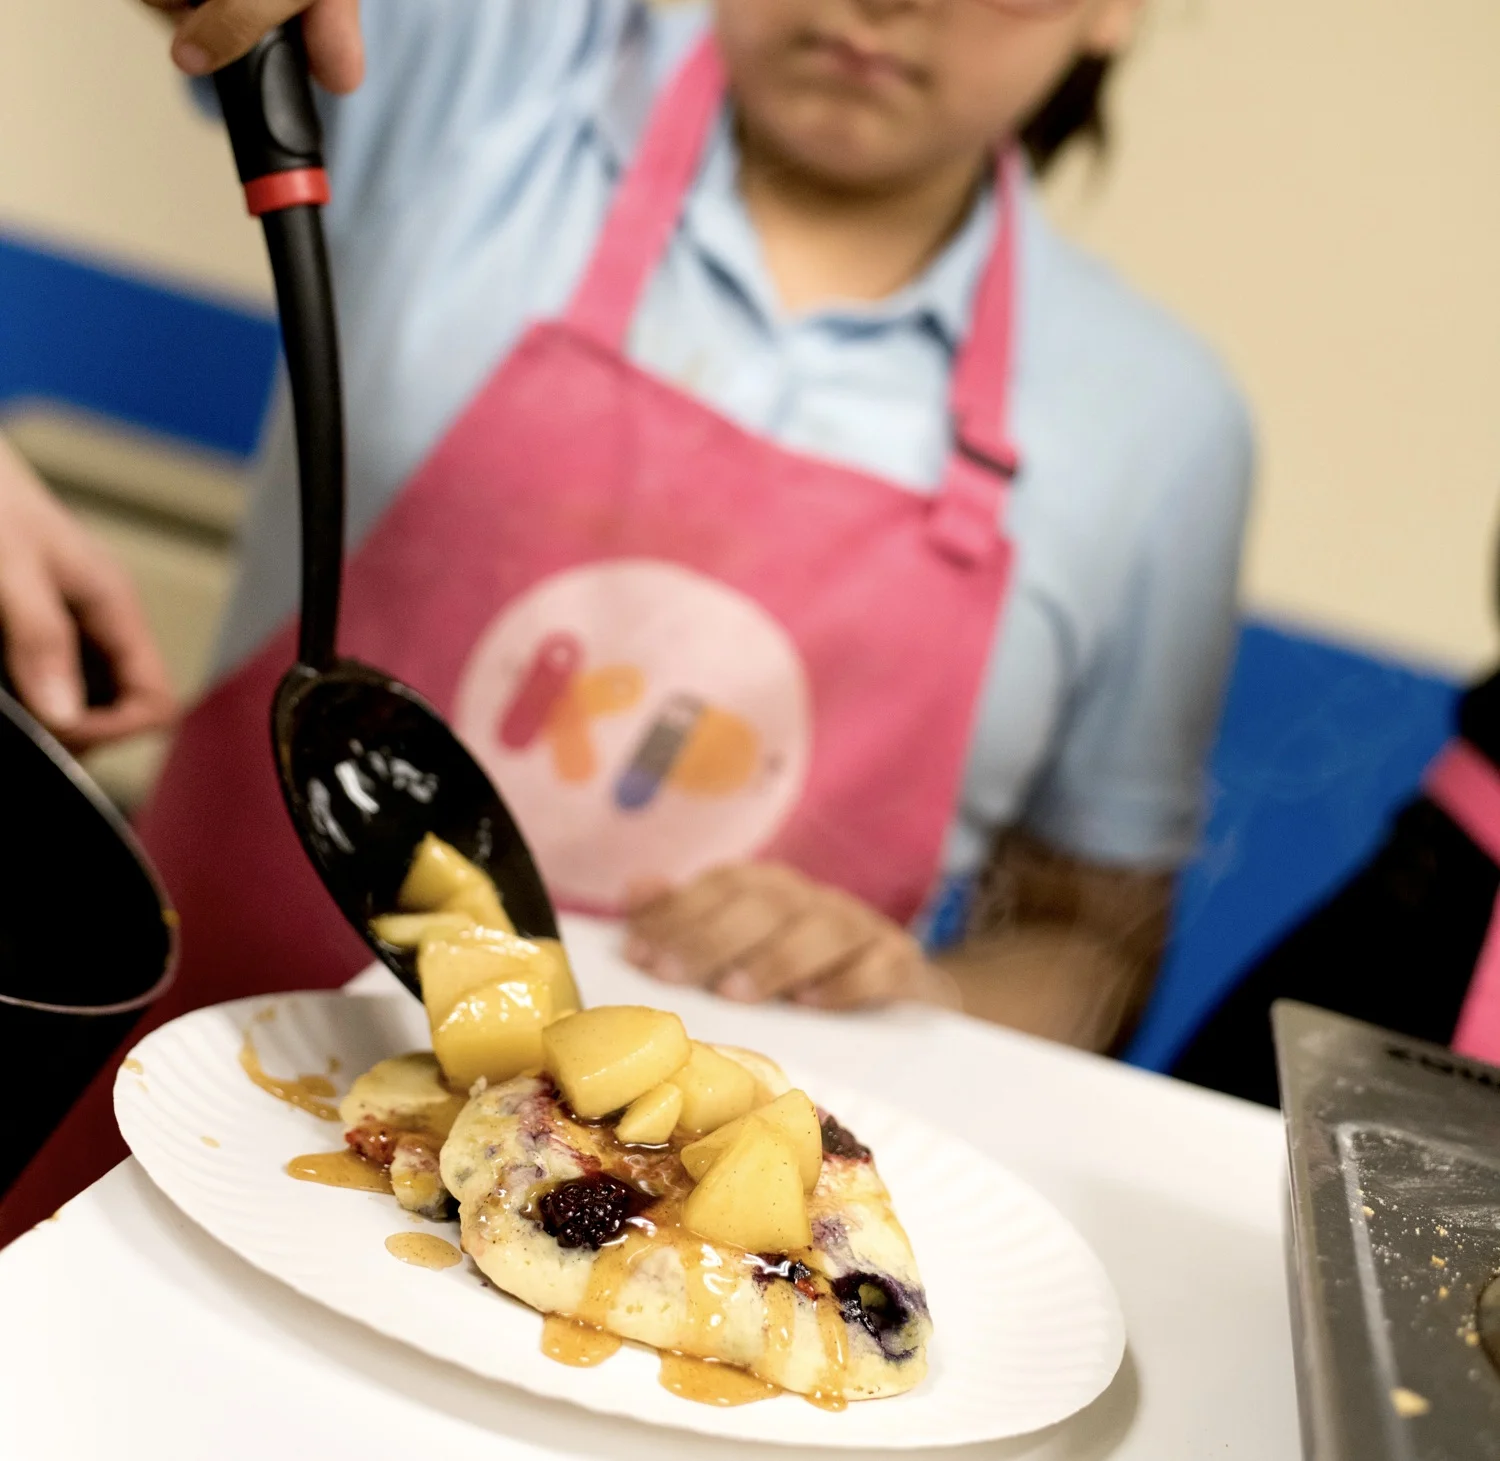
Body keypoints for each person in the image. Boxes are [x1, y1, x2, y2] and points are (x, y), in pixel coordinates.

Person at [0, 0, 1252, 1242]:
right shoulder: (484, 58)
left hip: (649, 1269)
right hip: (170, 1132)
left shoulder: (1158, 427)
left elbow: (1090, 946)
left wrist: (924, 985)